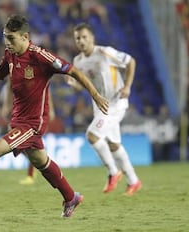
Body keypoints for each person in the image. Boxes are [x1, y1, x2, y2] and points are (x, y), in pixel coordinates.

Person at [0, 15, 108, 218]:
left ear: (25, 37)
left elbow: (74, 71)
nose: (7, 43)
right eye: (5, 37)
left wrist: (95, 95)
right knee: (41, 161)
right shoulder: (10, 55)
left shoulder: (41, 57)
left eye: (12, 38)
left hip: (33, 124)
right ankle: (71, 197)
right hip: (18, 121)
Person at [66, 22, 142, 196]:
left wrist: (128, 86)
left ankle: (114, 172)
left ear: (92, 37)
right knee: (114, 145)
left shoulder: (105, 52)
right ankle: (134, 181)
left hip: (115, 102)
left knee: (92, 136)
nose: (81, 41)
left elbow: (131, 61)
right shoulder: (77, 61)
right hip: (99, 106)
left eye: (84, 37)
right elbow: (83, 85)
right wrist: (74, 84)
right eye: (78, 38)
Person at [1, 81, 56, 185]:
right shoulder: (13, 68)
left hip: (37, 112)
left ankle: (31, 174)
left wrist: (51, 109)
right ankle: (40, 161)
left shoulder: (37, 71)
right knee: (18, 143)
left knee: (29, 143)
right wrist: (6, 105)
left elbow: (46, 88)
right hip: (20, 111)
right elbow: (9, 86)